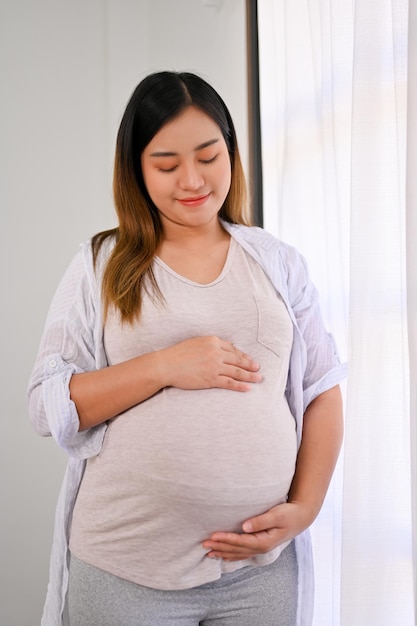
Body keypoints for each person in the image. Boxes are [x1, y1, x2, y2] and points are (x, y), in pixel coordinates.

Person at [28, 70, 347, 626]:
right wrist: (164, 366)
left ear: (231, 151)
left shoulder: (277, 263)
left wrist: (305, 508)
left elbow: (323, 388)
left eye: (208, 156)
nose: (193, 180)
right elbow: (46, 404)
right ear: (136, 169)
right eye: (167, 165)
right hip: (127, 571)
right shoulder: (101, 266)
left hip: (259, 571)